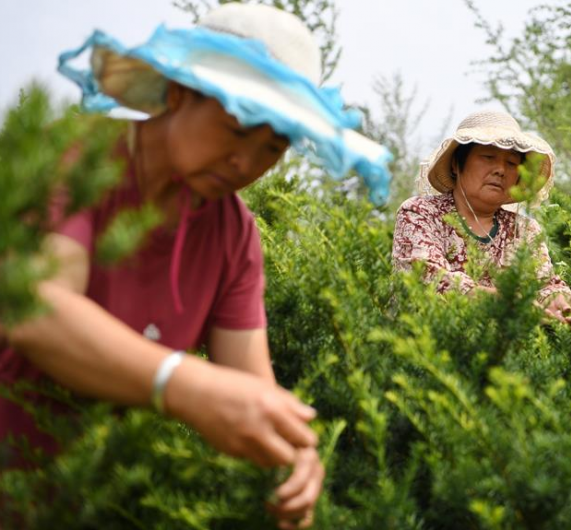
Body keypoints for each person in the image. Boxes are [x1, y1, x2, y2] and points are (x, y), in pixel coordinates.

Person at [0, 4, 390, 528]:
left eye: (272, 147)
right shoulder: (80, 156)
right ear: (181, 90)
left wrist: (294, 452)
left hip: (93, 498)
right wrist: (183, 384)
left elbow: (252, 382)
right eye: (236, 127)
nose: (247, 164)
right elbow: (35, 309)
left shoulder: (233, 234)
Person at [392, 110, 571, 331]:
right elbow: (428, 280)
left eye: (511, 163)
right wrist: (506, 303)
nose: (500, 170)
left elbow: (543, 283)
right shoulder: (421, 213)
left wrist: (555, 302)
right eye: (488, 157)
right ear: (456, 164)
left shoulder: (524, 230)